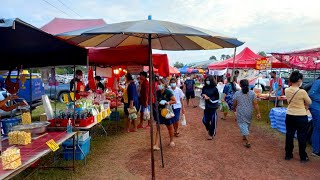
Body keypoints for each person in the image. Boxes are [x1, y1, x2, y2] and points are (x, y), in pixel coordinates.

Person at [284, 71, 312, 163]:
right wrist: (306, 106)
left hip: (290, 115)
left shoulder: (287, 90)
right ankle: (303, 156)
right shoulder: (302, 91)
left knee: (289, 135)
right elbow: (309, 102)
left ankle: (288, 154)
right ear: (299, 80)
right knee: (302, 137)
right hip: (301, 116)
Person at [233, 79, 261, 148]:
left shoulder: (237, 93)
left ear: (240, 85)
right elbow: (255, 104)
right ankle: (244, 136)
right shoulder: (252, 93)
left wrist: (234, 109)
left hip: (241, 111)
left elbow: (234, 103)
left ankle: (248, 141)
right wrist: (258, 113)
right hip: (249, 111)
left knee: (243, 125)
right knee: (247, 124)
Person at [153, 79, 176, 150]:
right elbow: (155, 101)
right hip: (159, 112)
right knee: (158, 127)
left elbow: (174, 101)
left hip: (167, 111)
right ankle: (156, 144)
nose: (159, 85)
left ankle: (171, 140)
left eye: (160, 84)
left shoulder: (168, 92)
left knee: (170, 127)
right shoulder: (157, 92)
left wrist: (168, 102)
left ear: (164, 84)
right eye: (158, 84)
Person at [201, 75, 220, 140]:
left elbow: (217, 98)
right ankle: (209, 128)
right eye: (206, 80)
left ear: (211, 81)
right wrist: (203, 95)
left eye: (208, 80)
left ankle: (211, 134)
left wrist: (210, 98)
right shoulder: (204, 87)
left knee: (213, 120)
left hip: (213, 107)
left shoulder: (215, 89)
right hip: (206, 107)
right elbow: (202, 93)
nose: (207, 81)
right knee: (204, 120)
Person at [308, 76, 320, 157]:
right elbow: (311, 93)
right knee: (318, 128)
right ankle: (316, 150)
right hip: (316, 108)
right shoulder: (318, 81)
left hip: (317, 107)